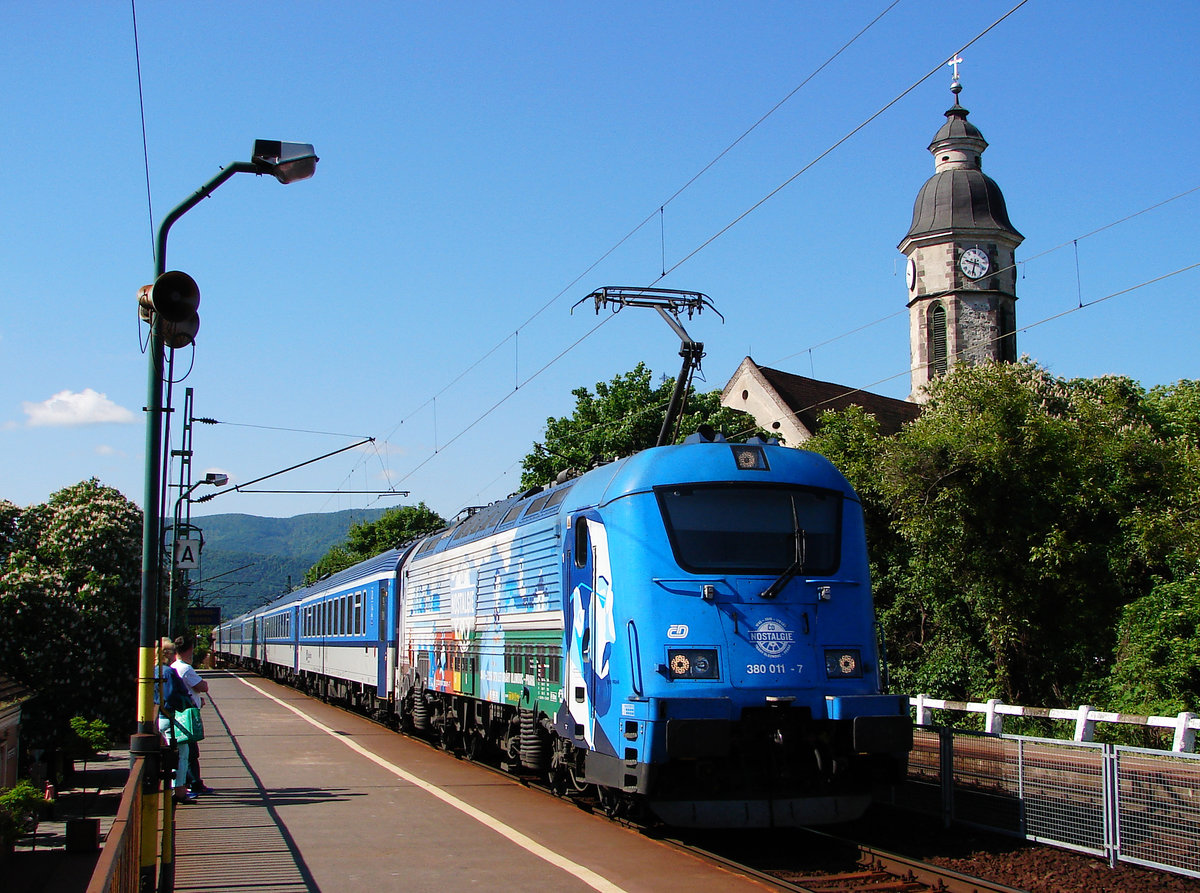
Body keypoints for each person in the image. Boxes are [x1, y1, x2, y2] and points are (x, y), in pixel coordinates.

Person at [172, 634, 214, 795]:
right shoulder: (185, 668)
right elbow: (202, 686)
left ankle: (187, 783)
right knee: (190, 753)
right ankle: (194, 783)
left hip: (178, 715)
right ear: (189, 649)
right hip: (186, 717)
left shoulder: (174, 666)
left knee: (185, 752)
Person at [155, 639, 195, 803]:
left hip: (160, 718)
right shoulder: (168, 672)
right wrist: (185, 703)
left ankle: (172, 789)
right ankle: (179, 791)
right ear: (169, 654)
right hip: (171, 718)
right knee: (182, 755)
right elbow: (171, 696)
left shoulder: (155, 670)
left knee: (171, 754)